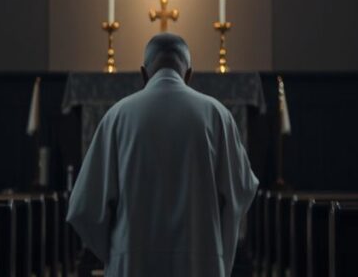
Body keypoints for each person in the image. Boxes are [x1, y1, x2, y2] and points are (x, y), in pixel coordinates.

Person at [66, 33, 259, 276]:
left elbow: (83, 208)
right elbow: (242, 191)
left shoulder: (117, 117)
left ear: (143, 73)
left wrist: (118, 252)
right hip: (199, 265)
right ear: (189, 74)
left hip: (133, 265)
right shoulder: (217, 116)